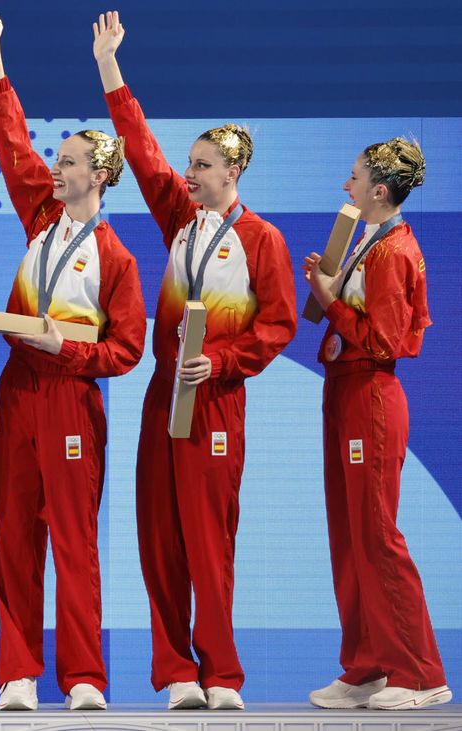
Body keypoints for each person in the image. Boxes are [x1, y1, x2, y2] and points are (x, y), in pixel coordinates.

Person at [93, 11, 297, 710]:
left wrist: (225, 360)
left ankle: (223, 675)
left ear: (233, 170)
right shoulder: (180, 218)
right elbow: (141, 150)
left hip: (214, 399)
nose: (191, 172)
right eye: (192, 164)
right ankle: (176, 671)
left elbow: (280, 323)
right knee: (159, 536)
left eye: (204, 165)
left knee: (210, 540)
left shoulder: (262, 239)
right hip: (161, 395)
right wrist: (109, 69)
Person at [0, 14, 145, 712]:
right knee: (13, 535)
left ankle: (86, 675)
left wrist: (67, 347)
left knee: (74, 538)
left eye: (65, 162)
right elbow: (11, 142)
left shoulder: (116, 257)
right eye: (56, 161)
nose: (52, 168)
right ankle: (18, 672)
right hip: (17, 392)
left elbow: (127, 349)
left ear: (96, 175)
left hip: (70, 394)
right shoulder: (40, 215)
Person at [302, 139, 452, 711]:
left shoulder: (393, 251)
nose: (347, 186)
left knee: (376, 533)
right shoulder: (373, 240)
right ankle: (367, 665)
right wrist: (331, 286)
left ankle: (419, 672)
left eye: (355, 176)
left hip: (371, 394)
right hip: (344, 388)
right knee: (349, 533)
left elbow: (385, 338)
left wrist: (327, 299)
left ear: (380, 191)